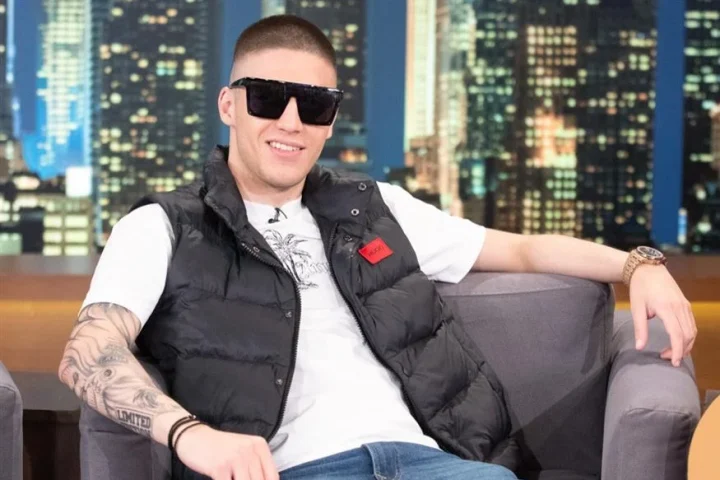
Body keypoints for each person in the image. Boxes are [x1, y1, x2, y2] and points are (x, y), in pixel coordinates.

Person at [58, 14, 697, 480]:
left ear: (331, 120)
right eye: (268, 98)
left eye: (314, 105)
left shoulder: (373, 208)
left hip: (434, 465)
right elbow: (89, 351)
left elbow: (524, 251)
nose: (290, 122)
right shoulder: (164, 225)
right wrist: (190, 435)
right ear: (229, 104)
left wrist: (637, 265)